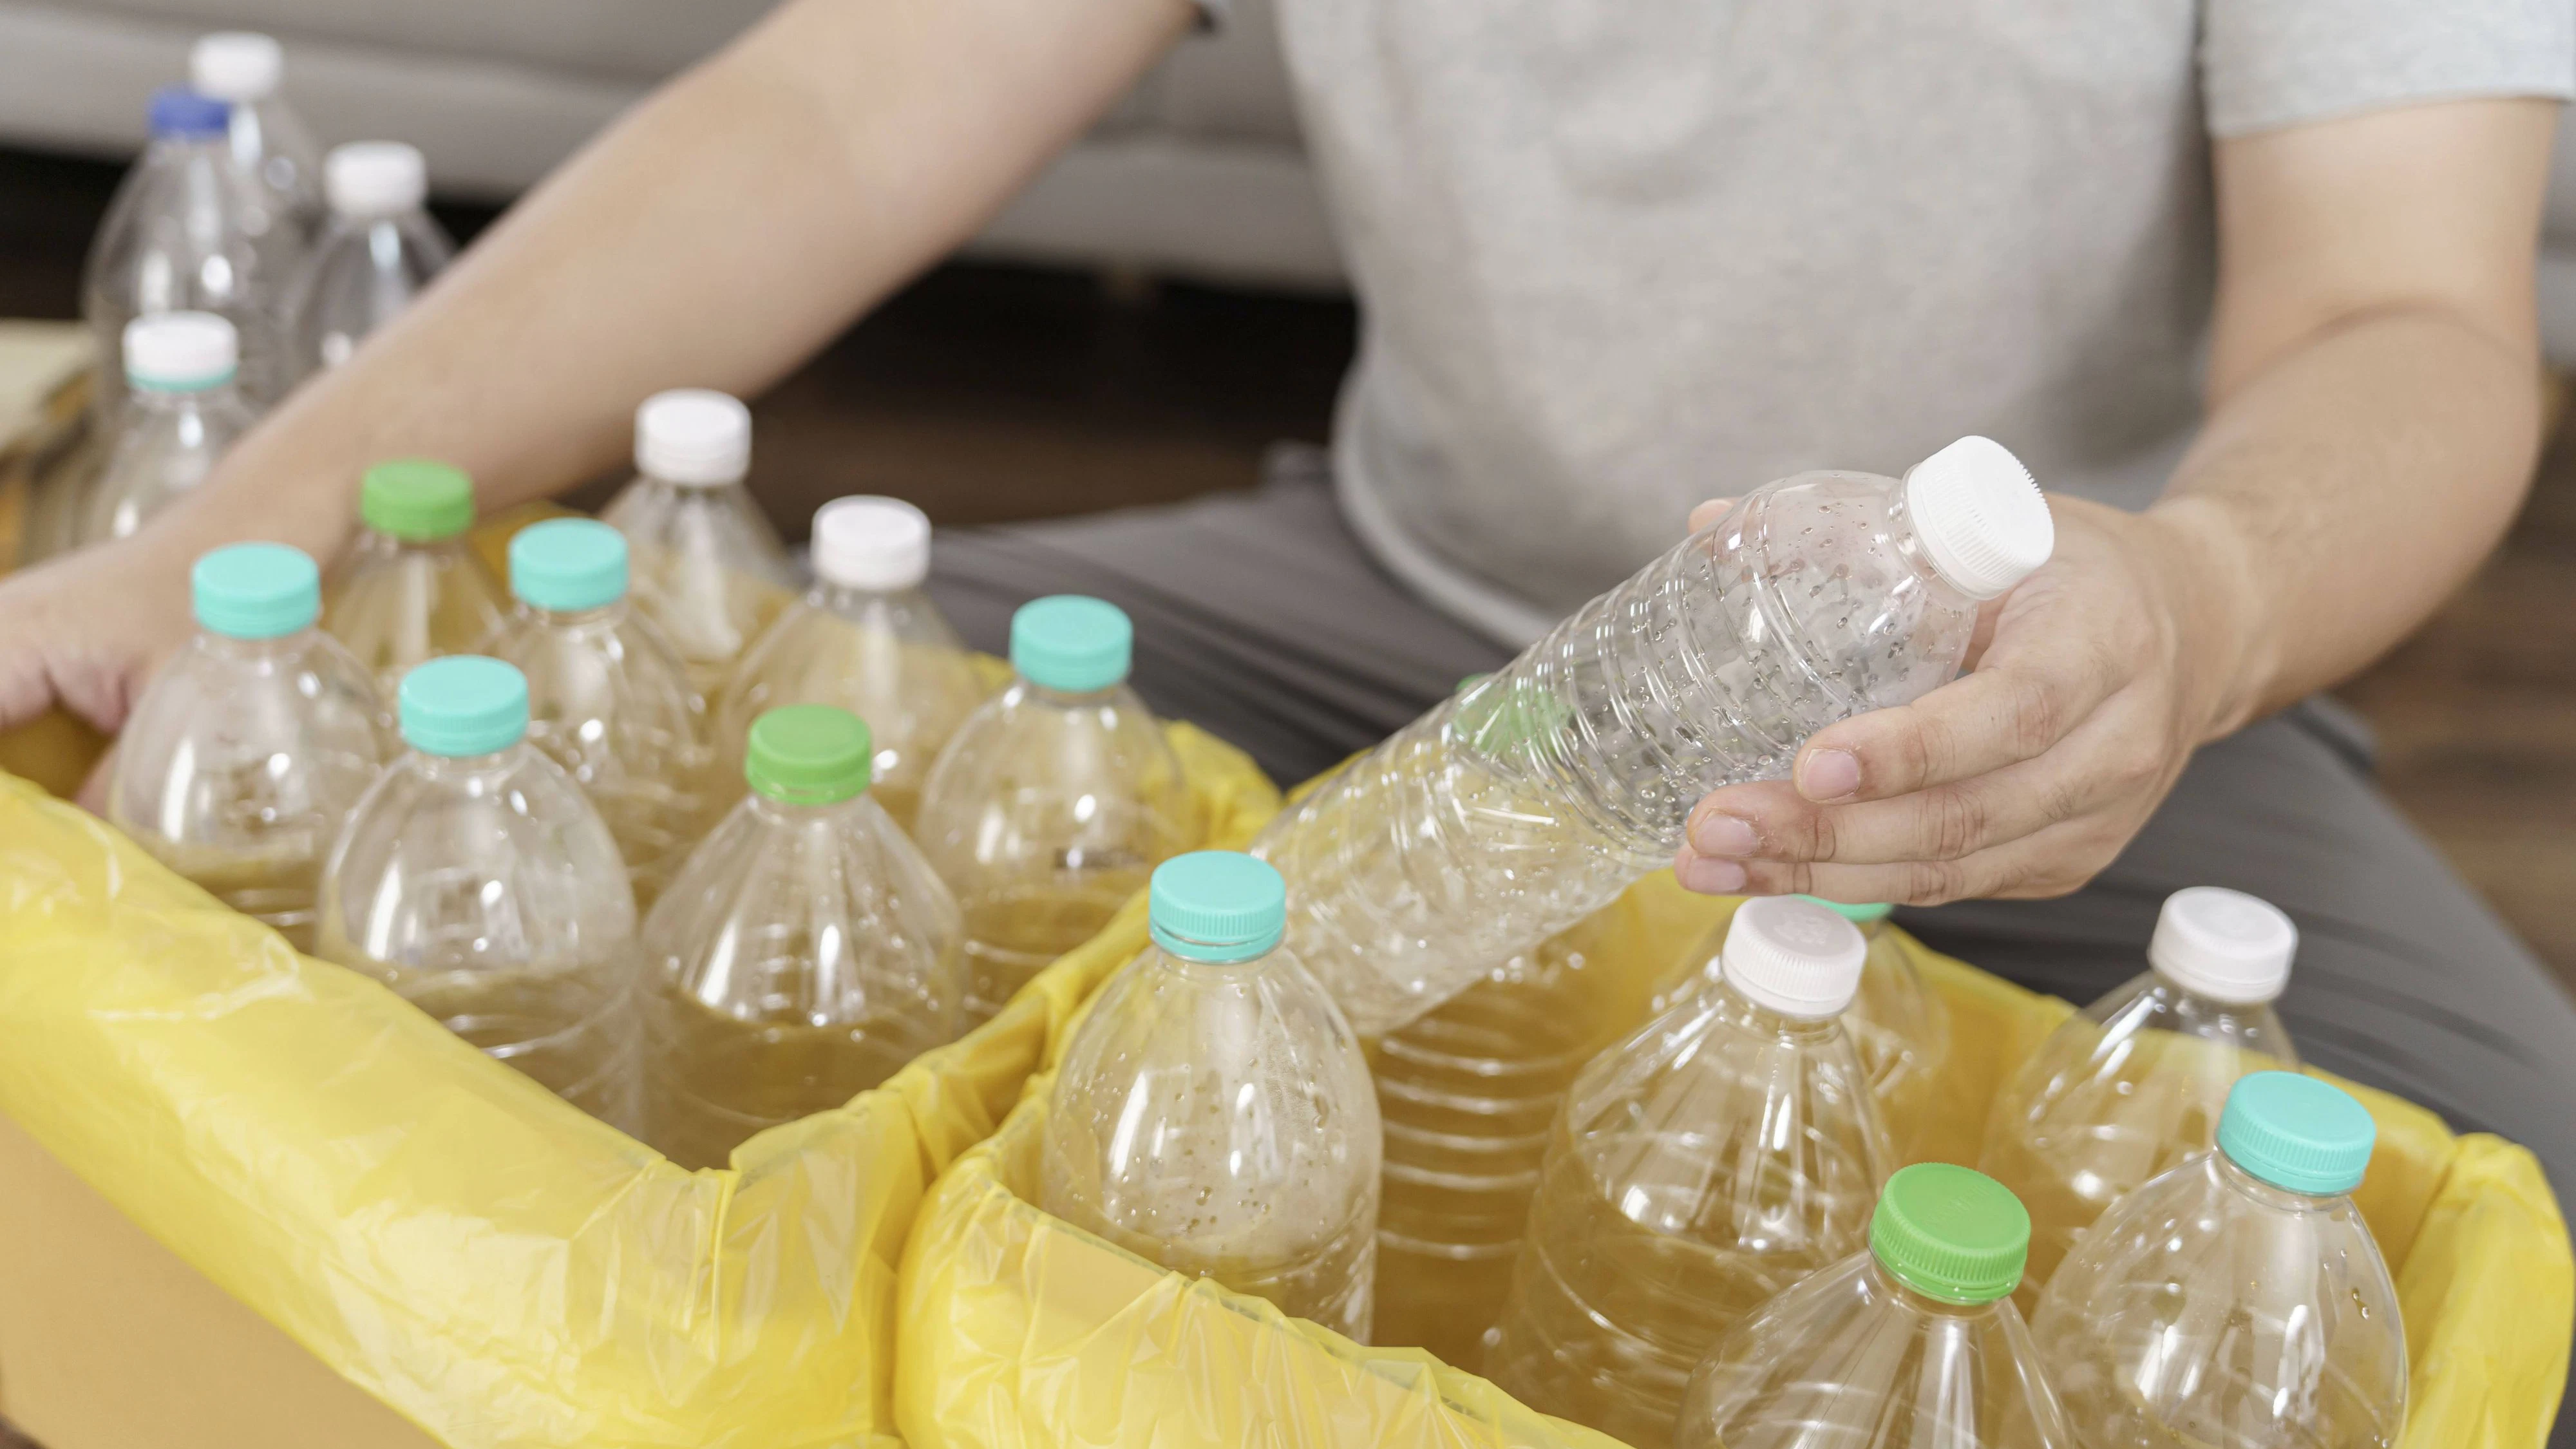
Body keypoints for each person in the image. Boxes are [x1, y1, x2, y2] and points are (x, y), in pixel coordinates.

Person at [2, 0, 2571, 1401]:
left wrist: (2195, 598)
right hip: (1393, 598)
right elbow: (858, 84)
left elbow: (2409, 321)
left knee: (2497, 1254)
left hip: (2059, 694)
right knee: (758, 806)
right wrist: (245, 530)